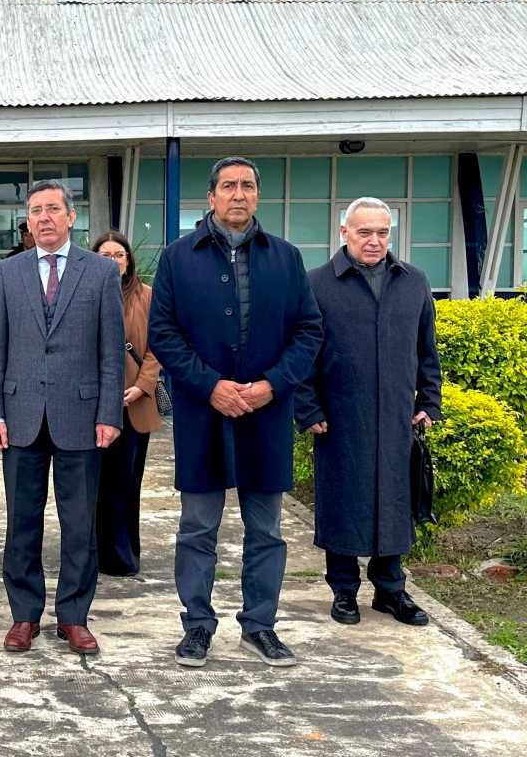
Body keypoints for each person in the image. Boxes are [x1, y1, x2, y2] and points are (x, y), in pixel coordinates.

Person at [149, 156, 322, 669]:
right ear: (211, 197)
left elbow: (309, 330)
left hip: (265, 414)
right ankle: (197, 626)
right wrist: (210, 386)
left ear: (257, 195)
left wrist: (273, 385)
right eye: (228, 186)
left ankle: (260, 625)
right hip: (204, 415)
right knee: (197, 528)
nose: (238, 194)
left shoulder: (285, 257)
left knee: (266, 530)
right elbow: (164, 334)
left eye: (247, 185)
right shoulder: (178, 258)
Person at [0, 180, 125, 655]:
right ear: (28, 220)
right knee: (22, 522)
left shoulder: (100, 271)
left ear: (71, 216)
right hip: (21, 415)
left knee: (79, 523)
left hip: (82, 416)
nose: (44, 217)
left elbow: (111, 351)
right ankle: (24, 615)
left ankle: (73, 616)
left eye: (52, 209)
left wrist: (109, 413)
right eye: (35, 210)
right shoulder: (9, 272)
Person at [296, 197, 442, 628]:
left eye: (382, 232)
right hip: (339, 417)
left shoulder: (413, 282)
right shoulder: (317, 284)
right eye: (365, 232)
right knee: (343, 500)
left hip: (397, 416)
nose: (374, 240)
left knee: (395, 500)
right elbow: (301, 355)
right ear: (344, 232)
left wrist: (428, 403)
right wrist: (308, 409)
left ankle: (390, 589)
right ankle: (343, 590)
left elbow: (427, 351)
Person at [91, 230, 162, 576]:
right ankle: (94, 553)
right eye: (105, 255)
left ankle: (123, 555)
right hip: (93, 405)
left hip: (135, 403)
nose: (113, 261)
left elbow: (158, 346)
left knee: (126, 482)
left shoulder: (147, 295)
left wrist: (142, 386)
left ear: (129, 260)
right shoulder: (84, 294)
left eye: (118, 255)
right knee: (96, 484)